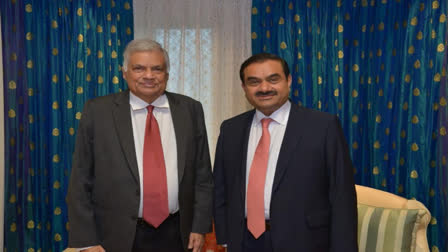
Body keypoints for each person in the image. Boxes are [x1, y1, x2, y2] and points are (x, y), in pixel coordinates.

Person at [67, 39, 213, 252]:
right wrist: (87, 241)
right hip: (116, 235)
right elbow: (80, 180)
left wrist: (200, 227)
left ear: (167, 75)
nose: (149, 76)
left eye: (157, 69)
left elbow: (203, 176)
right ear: (124, 73)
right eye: (139, 68)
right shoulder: (98, 111)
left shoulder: (190, 109)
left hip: (177, 233)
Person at [213, 53, 358, 252]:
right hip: (243, 241)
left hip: (304, 241)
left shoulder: (322, 126)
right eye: (254, 82)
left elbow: (342, 195)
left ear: (288, 81)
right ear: (244, 88)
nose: (264, 88)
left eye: (273, 79)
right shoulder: (231, 129)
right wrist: (225, 237)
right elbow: (221, 187)